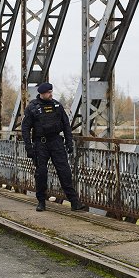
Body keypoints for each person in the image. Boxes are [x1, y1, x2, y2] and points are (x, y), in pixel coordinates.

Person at [21, 82, 87, 212]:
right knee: (41, 173)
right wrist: (29, 147)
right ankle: (41, 201)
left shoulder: (57, 105)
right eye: (48, 92)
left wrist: (69, 142)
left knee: (65, 171)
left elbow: (66, 124)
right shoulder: (33, 107)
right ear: (42, 93)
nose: (51, 94)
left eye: (51, 92)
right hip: (41, 143)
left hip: (56, 141)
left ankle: (74, 202)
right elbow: (25, 128)